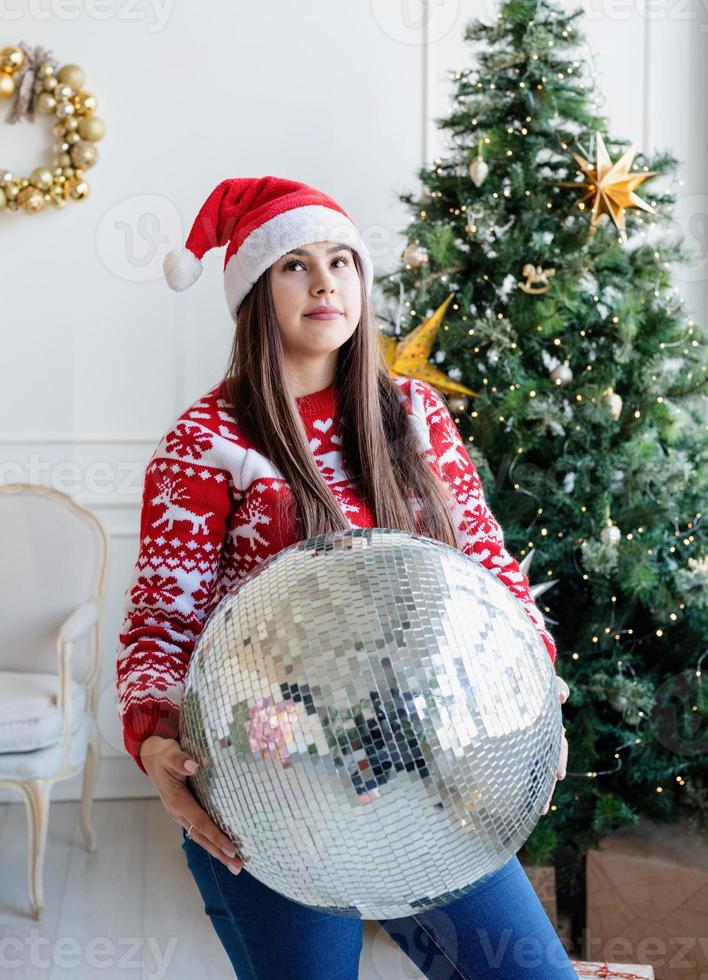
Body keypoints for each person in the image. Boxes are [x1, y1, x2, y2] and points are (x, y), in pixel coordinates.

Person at [116, 175, 574, 978]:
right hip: (274, 799)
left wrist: (538, 693)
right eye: (294, 264)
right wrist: (154, 740)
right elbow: (163, 623)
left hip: (431, 783)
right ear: (256, 291)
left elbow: (489, 572)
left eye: (341, 261)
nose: (325, 281)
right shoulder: (206, 440)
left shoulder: (418, 416)